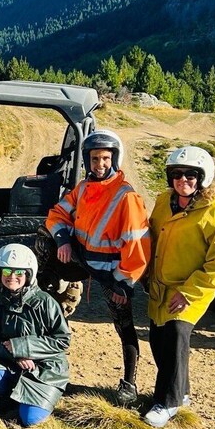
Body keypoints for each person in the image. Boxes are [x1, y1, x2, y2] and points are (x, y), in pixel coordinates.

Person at [45, 129, 150, 404]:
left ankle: (129, 384)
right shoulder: (83, 188)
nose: (99, 164)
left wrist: (123, 284)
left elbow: (137, 247)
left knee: (123, 327)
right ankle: (48, 366)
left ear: (115, 159)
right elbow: (56, 214)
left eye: (104, 158)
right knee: (40, 243)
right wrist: (63, 240)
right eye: (94, 159)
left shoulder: (126, 196)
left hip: (112, 275)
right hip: (83, 262)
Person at [143, 146, 215, 428]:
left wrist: (189, 292)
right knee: (160, 341)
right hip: (159, 286)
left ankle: (167, 403)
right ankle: (181, 392)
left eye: (190, 175)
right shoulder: (163, 202)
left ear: (203, 178)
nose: (183, 180)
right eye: (176, 174)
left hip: (191, 289)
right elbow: (151, 236)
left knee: (175, 335)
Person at [0, 243, 70, 426]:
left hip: (45, 368)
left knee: (31, 420)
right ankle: (5, 396)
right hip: (10, 361)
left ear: (29, 274)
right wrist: (15, 354)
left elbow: (62, 341)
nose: (12, 277)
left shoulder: (45, 302)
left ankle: (34, 398)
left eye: (19, 272)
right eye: (6, 271)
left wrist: (23, 347)